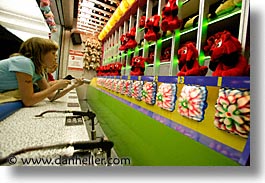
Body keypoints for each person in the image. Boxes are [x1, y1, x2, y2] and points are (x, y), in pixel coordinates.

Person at [0, 37, 84, 106]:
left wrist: (73, 86)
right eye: (53, 53)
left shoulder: (37, 70)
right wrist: (56, 87)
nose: (55, 57)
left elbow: (51, 96)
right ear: (41, 53)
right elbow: (28, 101)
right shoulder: (24, 63)